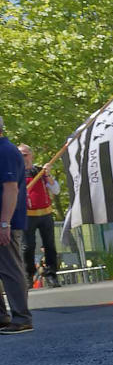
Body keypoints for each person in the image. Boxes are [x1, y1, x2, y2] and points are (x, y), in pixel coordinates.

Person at [0, 116, 32, 334]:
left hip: (6, 222)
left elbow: (11, 189)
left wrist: (4, 223)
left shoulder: (6, 152)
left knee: (10, 269)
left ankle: (21, 318)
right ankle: (3, 317)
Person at [22, 144, 61, 287]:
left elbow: (56, 190)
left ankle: (51, 274)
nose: (23, 158)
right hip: (27, 215)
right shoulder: (15, 173)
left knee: (50, 245)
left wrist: (48, 175)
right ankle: (28, 275)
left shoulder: (40, 172)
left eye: (25, 155)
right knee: (28, 247)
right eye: (20, 155)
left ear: (31, 155)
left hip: (45, 214)